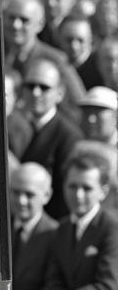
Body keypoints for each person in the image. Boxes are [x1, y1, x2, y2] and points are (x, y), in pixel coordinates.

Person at [44, 146, 118, 289]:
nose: (78, 195)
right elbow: (53, 281)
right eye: (72, 186)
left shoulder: (112, 228)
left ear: (103, 191)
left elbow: (108, 285)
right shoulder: (62, 228)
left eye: (87, 188)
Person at [20, 58, 83, 220]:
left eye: (44, 87)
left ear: (60, 93)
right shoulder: (14, 127)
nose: (35, 93)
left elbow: (65, 198)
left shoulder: (69, 137)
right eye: (30, 86)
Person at [10, 161, 58, 290]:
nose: (21, 201)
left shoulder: (57, 235)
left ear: (46, 195)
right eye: (16, 192)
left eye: (29, 194)